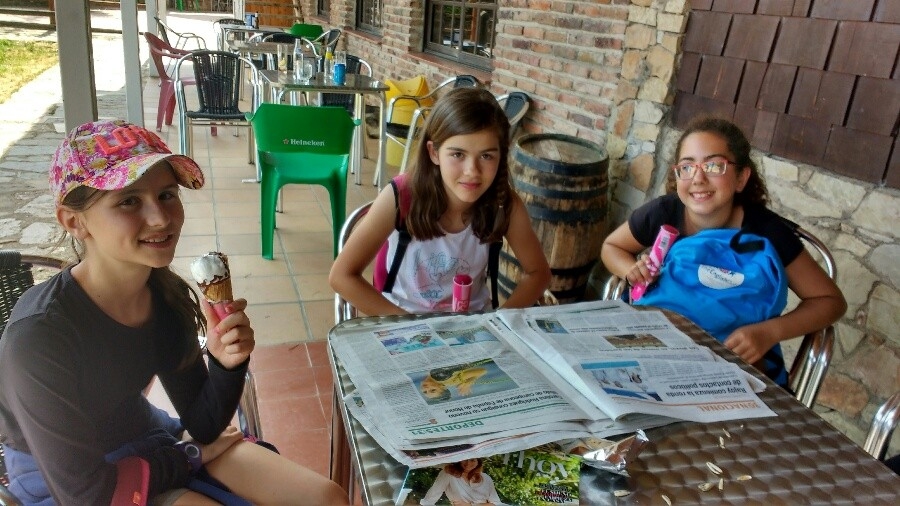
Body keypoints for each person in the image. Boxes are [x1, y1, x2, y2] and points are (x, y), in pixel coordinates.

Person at [0, 120, 348, 505]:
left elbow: (202, 423)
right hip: (67, 479)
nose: (161, 218)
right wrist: (189, 456)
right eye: (129, 201)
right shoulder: (39, 337)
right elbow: (87, 494)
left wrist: (225, 363)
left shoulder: (164, 295)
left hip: (143, 433)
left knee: (325, 498)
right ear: (74, 221)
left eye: (166, 194)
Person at [600, 117, 846, 386]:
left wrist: (769, 332)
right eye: (687, 167)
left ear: (741, 178)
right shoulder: (664, 213)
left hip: (732, 367)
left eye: (714, 166)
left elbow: (830, 300)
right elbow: (612, 247)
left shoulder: (767, 233)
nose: (698, 178)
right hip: (656, 349)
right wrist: (631, 270)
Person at [329, 87, 551, 315]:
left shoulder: (504, 205)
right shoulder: (400, 197)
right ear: (434, 153)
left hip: (472, 322)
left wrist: (499, 321)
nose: (472, 171)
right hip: (403, 317)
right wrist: (412, 325)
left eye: (486, 156)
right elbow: (341, 276)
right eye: (458, 154)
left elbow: (539, 273)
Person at [419, 458, 502, 506]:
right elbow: (429, 500)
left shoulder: (486, 478)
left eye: (472, 460)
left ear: (478, 462)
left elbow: (496, 504)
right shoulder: (448, 474)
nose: (468, 463)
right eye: (465, 459)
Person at [420, 363, 489, 402]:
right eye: (433, 390)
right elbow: (482, 371)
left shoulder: (431, 377)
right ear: (443, 387)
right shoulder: (447, 379)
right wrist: (469, 382)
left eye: (425, 392)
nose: (426, 388)